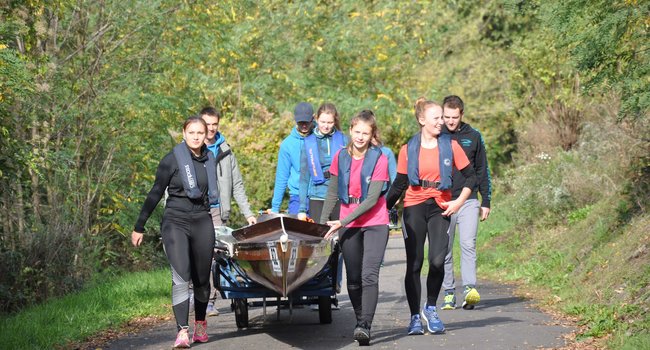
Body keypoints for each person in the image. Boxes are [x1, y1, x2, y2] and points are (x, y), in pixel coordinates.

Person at [386, 97, 476, 335]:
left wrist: (458, 202)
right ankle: (415, 316)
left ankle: (430, 308)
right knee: (414, 264)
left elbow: (471, 177)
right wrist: (381, 208)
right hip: (414, 205)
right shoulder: (408, 149)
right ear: (422, 120)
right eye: (436, 118)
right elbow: (399, 184)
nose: (442, 122)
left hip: (441, 206)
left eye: (442, 118)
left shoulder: (451, 145)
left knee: (437, 261)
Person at [131, 116, 217, 348]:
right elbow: (155, 192)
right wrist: (140, 226)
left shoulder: (210, 158)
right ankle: (182, 331)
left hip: (202, 221)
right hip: (175, 221)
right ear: (184, 133)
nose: (197, 136)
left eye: (200, 132)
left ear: (206, 134)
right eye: (192, 132)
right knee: (181, 275)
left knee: (201, 278)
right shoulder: (171, 160)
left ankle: (200, 324)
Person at [320, 110, 390, 346]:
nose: (360, 137)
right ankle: (360, 319)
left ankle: (365, 324)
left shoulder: (379, 158)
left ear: (372, 135)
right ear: (350, 131)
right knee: (353, 279)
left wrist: (343, 221)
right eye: (357, 132)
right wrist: (322, 225)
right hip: (347, 222)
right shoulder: (340, 157)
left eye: (366, 133)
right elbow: (332, 193)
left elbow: (371, 200)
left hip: (375, 222)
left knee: (369, 274)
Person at [200, 107, 257, 317]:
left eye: (215, 124)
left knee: (212, 255)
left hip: (218, 210)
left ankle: (209, 301)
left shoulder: (226, 150)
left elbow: (237, 186)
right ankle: (195, 292)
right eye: (208, 124)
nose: (211, 128)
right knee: (195, 255)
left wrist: (248, 213)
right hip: (195, 210)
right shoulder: (192, 147)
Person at [440, 95, 492, 310]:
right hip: (442, 201)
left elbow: (482, 169)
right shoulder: (436, 135)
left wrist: (486, 200)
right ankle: (449, 292)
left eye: (454, 117)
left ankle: (470, 289)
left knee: (468, 244)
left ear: (461, 114)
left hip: (469, 199)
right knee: (445, 249)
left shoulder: (473, 135)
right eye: (446, 117)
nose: (450, 121)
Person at [297, 102, 348, 222]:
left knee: (340, 238)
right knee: (320, 238)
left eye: (330, 122)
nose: (326, 126)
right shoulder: (308, 143)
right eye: (323, 122)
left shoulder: (344, 140)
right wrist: (302, 209)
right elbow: (304, 178)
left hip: (339, 196)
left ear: (335, 121)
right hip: (317, 196)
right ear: (316, 119)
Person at [270, 102, 314, 214]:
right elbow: (282, 176)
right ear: (295, 120)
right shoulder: (287, 144)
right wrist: (275, 208)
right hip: (297, 197)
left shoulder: (320, 138)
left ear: (313, 119)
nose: (304, 125)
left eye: (307, 122)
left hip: (318, 196)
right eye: (301, 122)